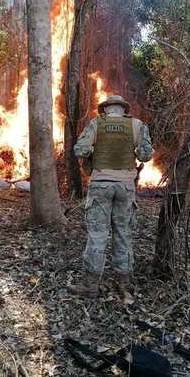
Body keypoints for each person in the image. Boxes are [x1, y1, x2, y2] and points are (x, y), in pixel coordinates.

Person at [69, 95, 153, 298]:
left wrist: (92, 151)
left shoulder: (96, 124)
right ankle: (123, 284)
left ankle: (90, 285)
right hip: (125, 187)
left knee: (98, 235)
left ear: (105, 109)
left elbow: (80, 149)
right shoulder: (136, 125)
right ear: (124, 109)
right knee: (123, 233)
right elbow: (145, 155)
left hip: (100, 185)